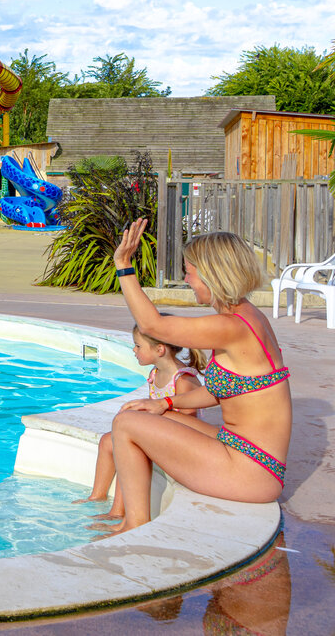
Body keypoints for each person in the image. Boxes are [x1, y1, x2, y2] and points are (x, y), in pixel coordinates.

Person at [105, 219, 291, 533]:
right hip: (248, 455)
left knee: (125, 424)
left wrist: (124, 265)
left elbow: (153, 327)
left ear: (211, 274)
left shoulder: (232, 327)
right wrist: (165, 404)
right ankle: (119, 514)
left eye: (189, 270)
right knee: (144, 413)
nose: (187, 278)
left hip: (251, 471)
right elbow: (225, 390)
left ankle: (133, 527)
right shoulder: (246, 316)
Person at [75, 324, 204, 523]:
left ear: (159, 349)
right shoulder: (155, 373)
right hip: (161, 433)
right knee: (108, 441)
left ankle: (118, 511)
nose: (133, 350)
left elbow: (190, 425)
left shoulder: (183, 380)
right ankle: (97, 496)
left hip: (179, 441)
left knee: (127, 447)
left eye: (137, 346)